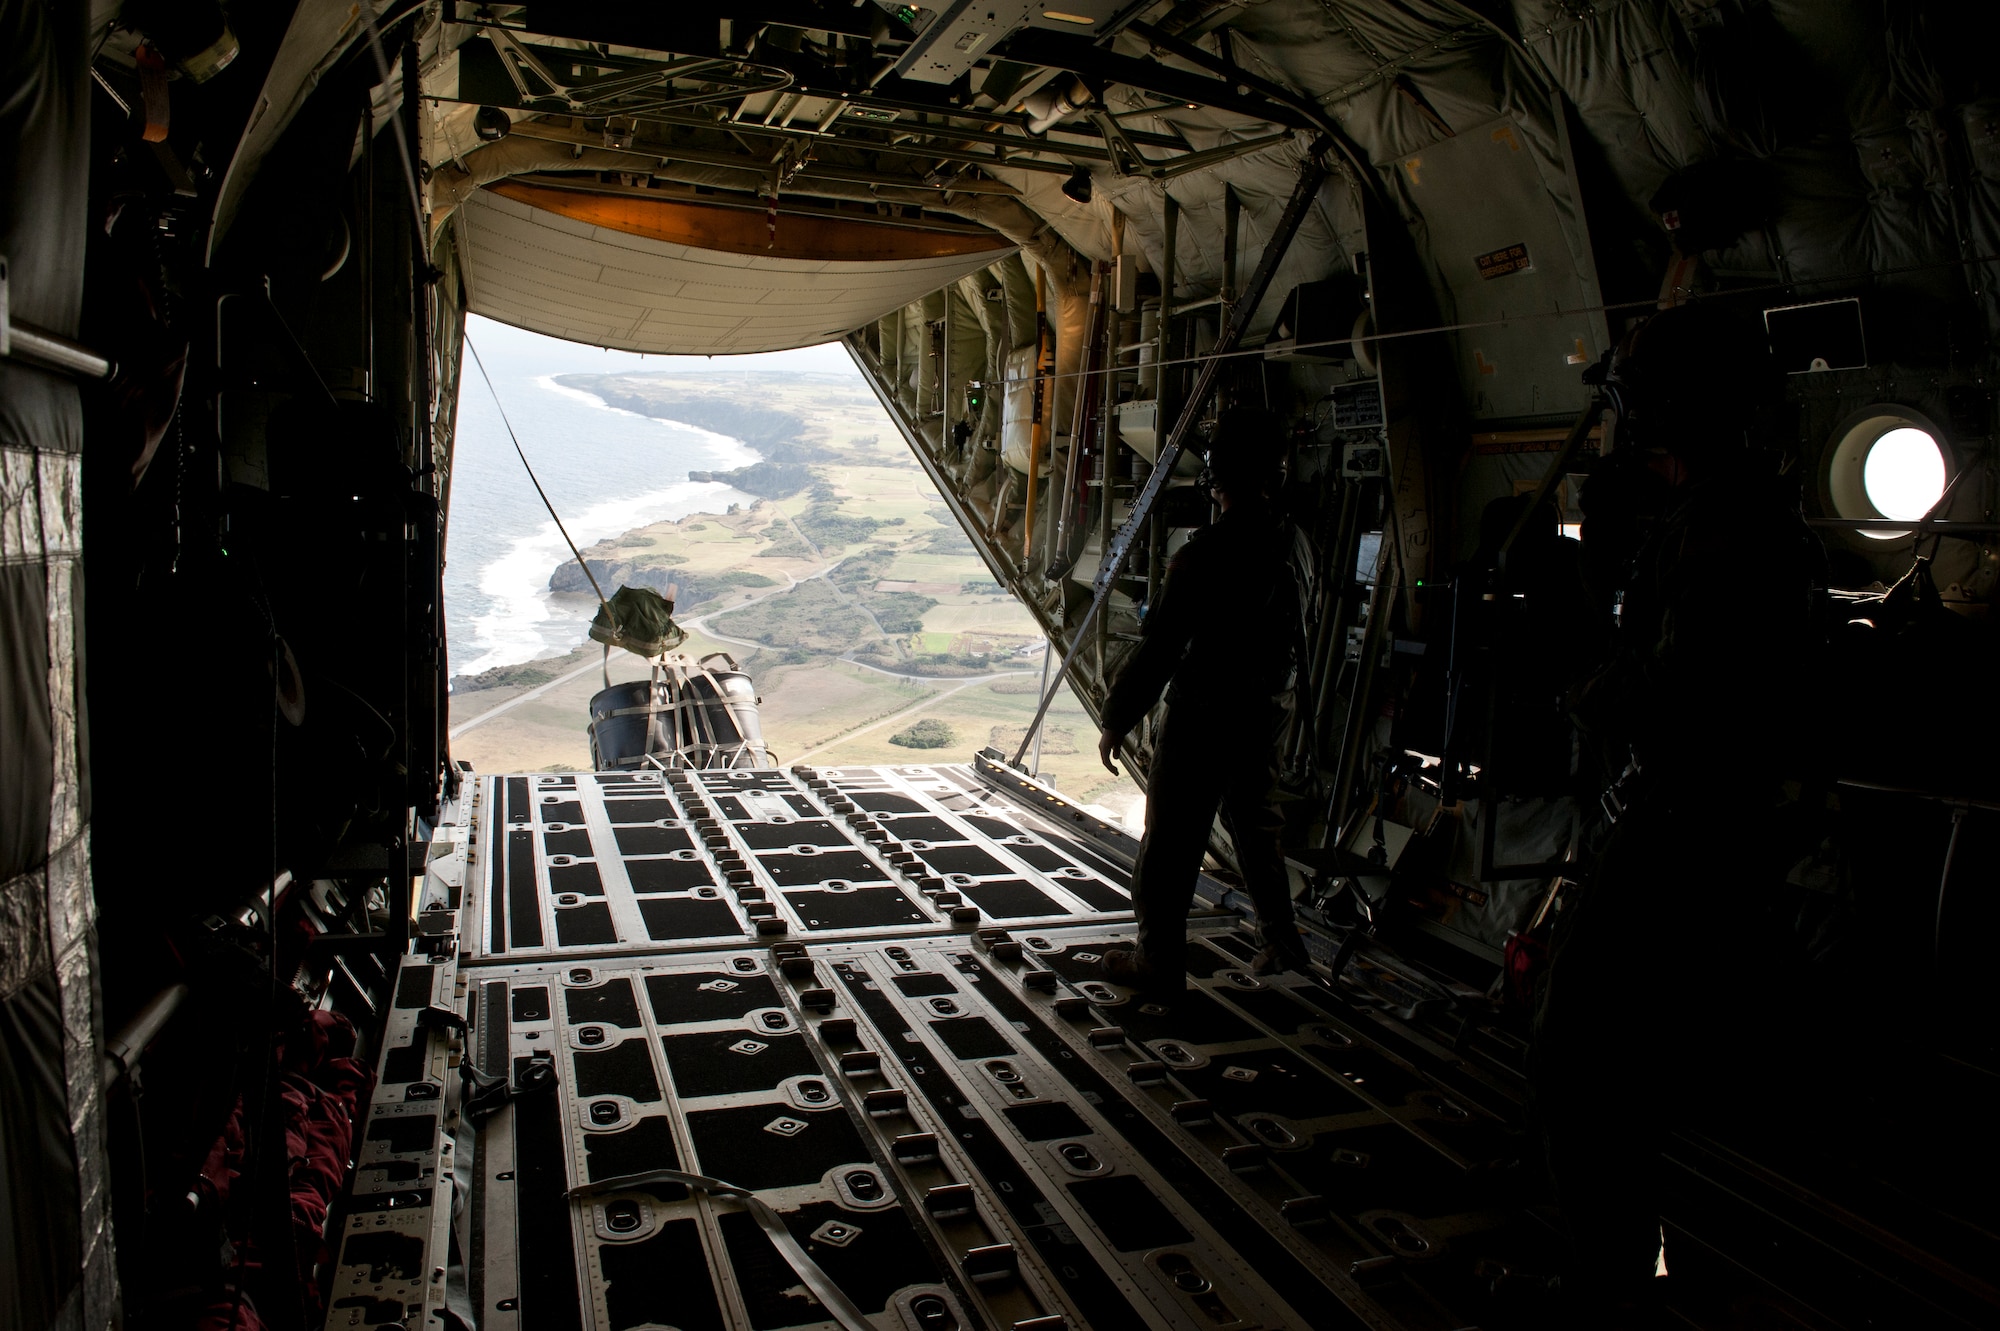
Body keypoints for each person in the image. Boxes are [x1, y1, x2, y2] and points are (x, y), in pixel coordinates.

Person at [1532, 303, 1827, 1325]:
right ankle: (1624, 1264)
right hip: (1702, 820)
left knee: (1577, 1047)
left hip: (1682, 820)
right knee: (1639, 1054)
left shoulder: (1727, 528)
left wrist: (1586, 673)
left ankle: (1607, 1280)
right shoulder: (1730, 513)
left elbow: (1676, 690)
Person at [1095, 407, 1312, 997]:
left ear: (1216, 481)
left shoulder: (1201, 556)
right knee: (1255, 828)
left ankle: (1157, 961)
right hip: (1264, 711)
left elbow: (1161, 648)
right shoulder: (1295, 550)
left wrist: (1116, 718)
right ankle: (1284, 943)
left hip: (1204, 713)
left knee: (1171, 841)